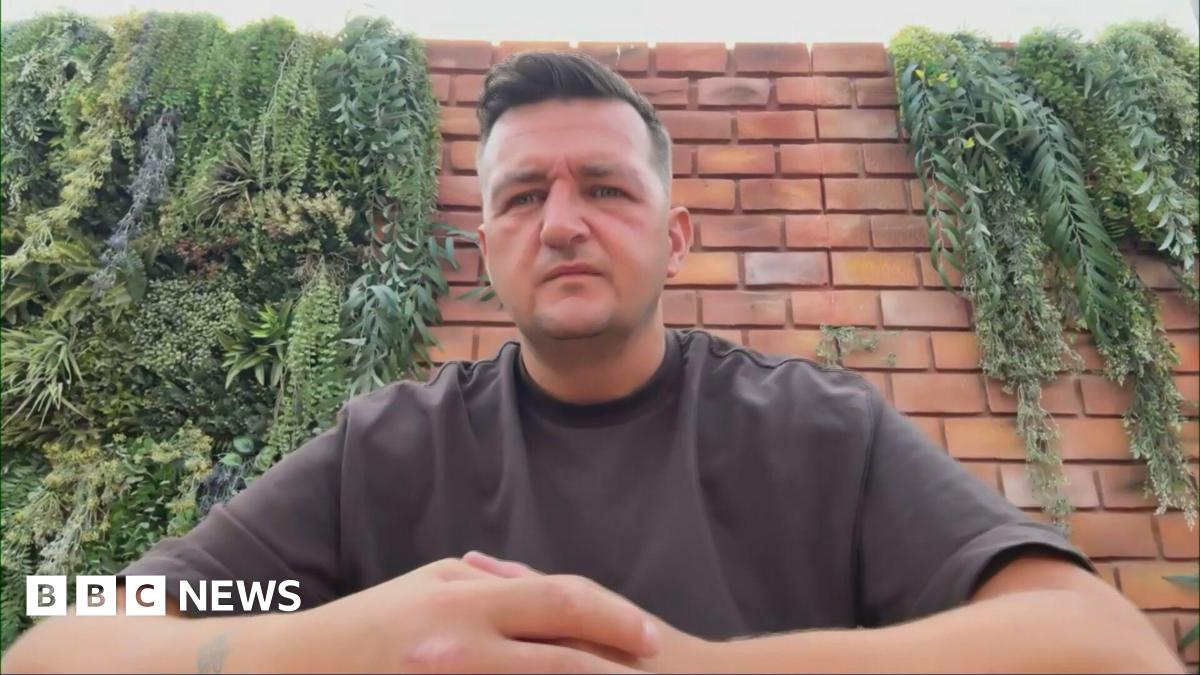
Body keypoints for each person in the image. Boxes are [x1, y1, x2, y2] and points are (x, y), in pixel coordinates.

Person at [2, 51, 1185, 674]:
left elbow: (1104, 649)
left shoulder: (818, 430)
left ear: (675, 237)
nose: (562, 221)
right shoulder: (385, 449)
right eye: (523, 196)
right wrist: (324, 646)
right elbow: (59, 636)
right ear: (485, 251)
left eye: (605, 188)